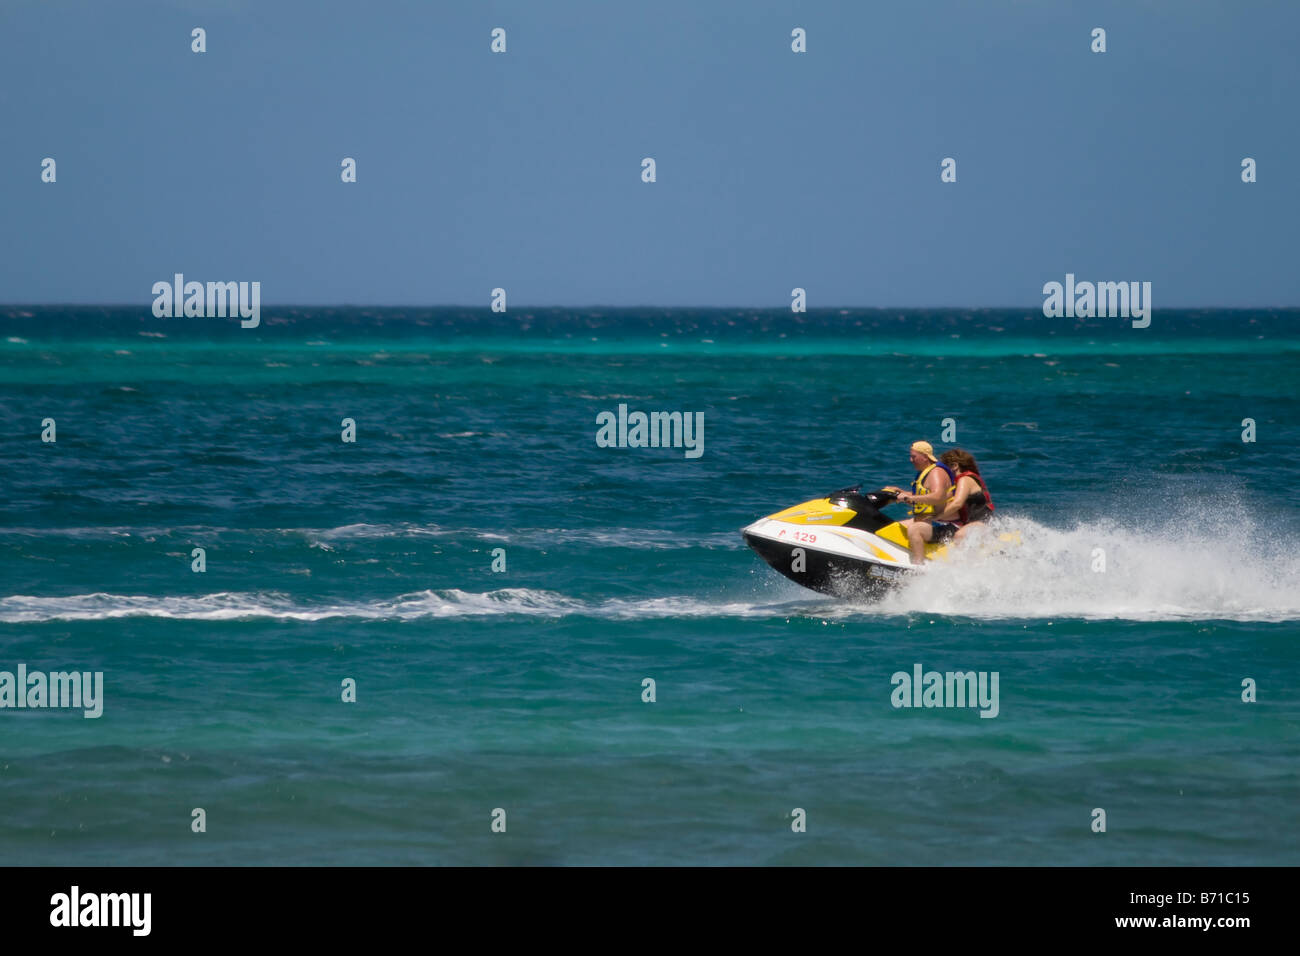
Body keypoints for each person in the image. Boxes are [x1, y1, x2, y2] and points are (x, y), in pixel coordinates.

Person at [883, 440, 954, 565]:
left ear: (925, 457)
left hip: (945, 526)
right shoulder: (925, 473)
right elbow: (922, 498)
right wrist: (899, 492)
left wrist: (908, 498)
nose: (911, 460)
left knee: (914, 530)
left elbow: (938, 496)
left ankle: (918, 566)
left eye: (913, 456)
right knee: (892, 527)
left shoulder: (936, 472)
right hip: (930, 522)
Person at [935, 448, 995, 545]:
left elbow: (957, 504)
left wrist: (935, 516)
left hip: (983, 524)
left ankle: (961, 560)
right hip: (969, 524)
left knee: (959, 535)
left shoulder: (965, 479)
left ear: (954, 466)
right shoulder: (957, 483)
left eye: (944, 468)